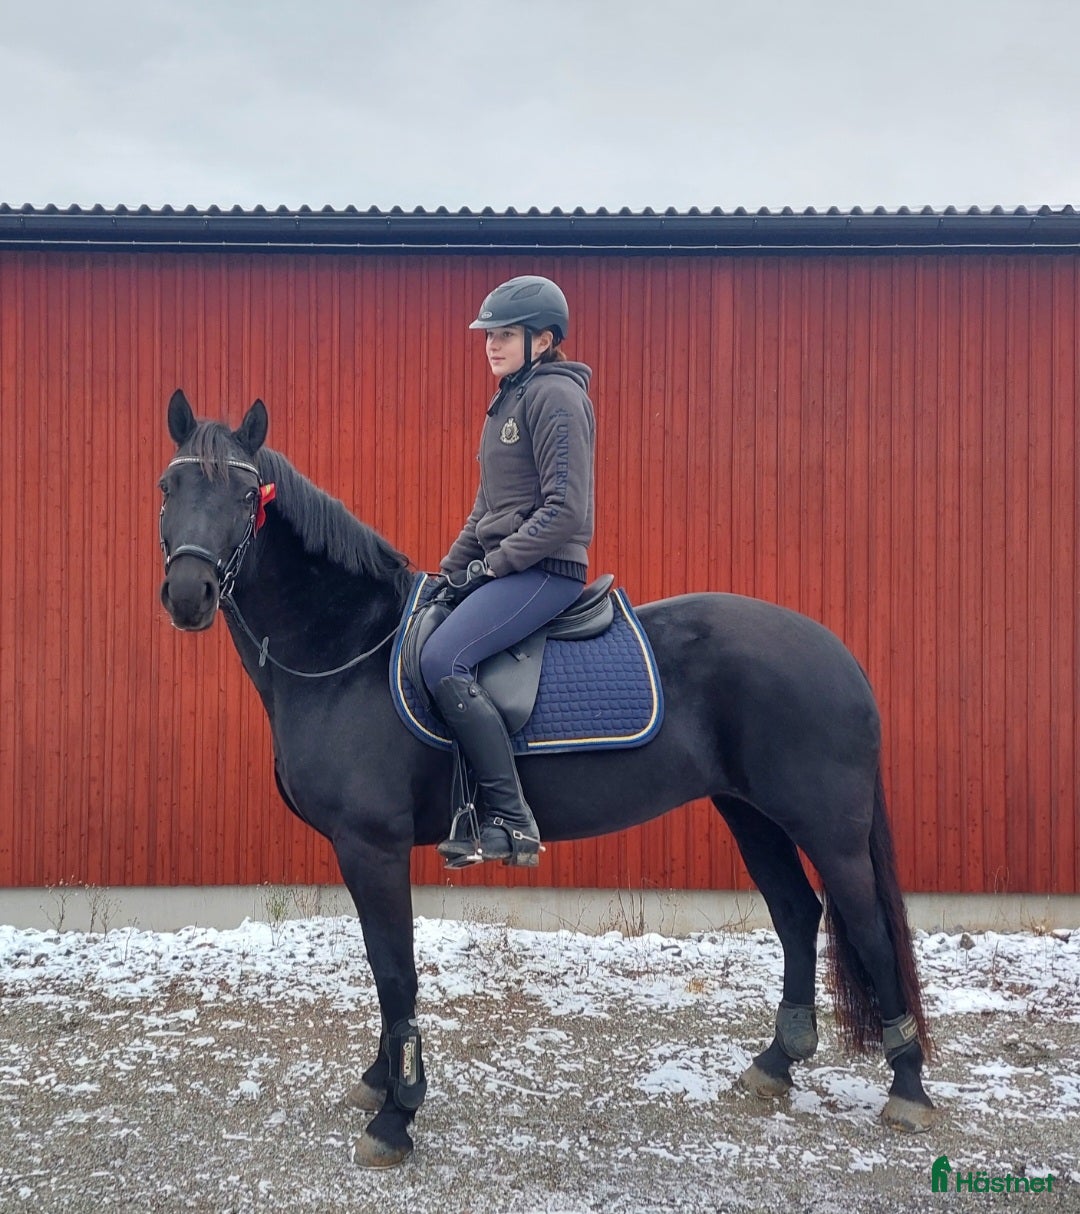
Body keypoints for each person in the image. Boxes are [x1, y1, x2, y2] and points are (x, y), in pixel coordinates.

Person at [420, 275, 596, 868]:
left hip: (547, 569)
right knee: (426, 626)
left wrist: (495, 564)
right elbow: (485, 510)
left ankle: (511, 817)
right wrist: (448, 573)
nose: (491, 344)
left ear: (543, 340)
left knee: (444, 658)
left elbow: (565, 509)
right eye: (488, 334)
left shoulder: (556, 397)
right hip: (511, 567)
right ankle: (465, 811)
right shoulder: (507, 402)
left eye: (505, 335)